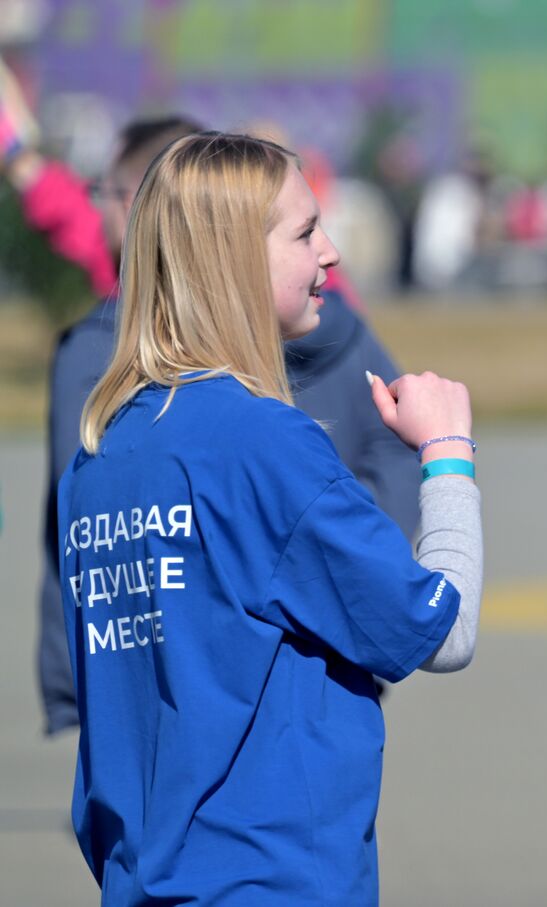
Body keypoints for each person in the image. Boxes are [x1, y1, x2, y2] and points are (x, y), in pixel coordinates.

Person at [58, 132, 481, 904]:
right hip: (270, 879)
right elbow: (440, 630)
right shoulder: (262, 442)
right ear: (234, 262)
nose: (331, 253)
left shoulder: (99, 454)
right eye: (305, 232)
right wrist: (448, 452)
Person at [0, 85, 419, 734]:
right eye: (306, 233)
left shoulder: (184, 404)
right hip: (274, 679)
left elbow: (424, 623)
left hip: (184, 699)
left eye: (107, 194)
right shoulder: (306, 330)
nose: (325, 253)